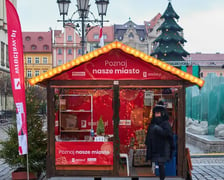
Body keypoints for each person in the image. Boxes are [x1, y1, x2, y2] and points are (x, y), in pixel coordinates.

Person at [145, 100, 174, 180]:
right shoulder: (153, 122)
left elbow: (168, 134)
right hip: (155, 148)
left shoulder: (165, 123)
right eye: (156, 113)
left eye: (158, 113)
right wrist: (147, 142)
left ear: (162, 113)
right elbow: (149, 134)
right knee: (158, 164)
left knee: (161, 165)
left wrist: (157, 129)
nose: (157, 115)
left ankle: (162, 178)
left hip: (163, 148)